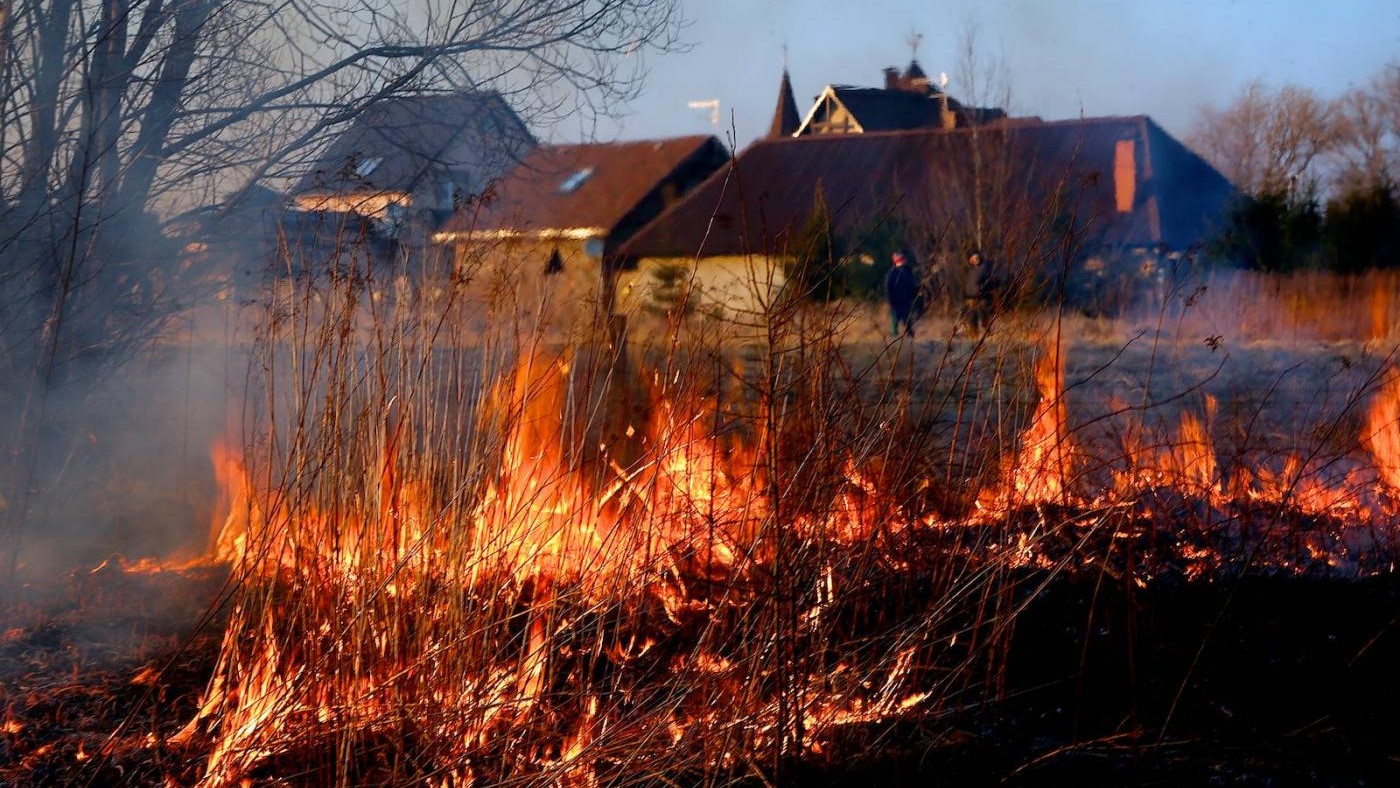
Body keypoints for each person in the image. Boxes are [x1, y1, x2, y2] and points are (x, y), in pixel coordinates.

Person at [884, 251, 918, 338]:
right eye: (899, 260)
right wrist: (890, 300)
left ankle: (910, 336)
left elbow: (912, 286)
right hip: (895, 301)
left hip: (906, 300)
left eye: (902, 260)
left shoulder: (908, 273)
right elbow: (888, 288)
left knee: (907, 320)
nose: (902, 262)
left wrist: (914, 295)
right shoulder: (892, 274)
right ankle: (894, 338)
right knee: (895, 321)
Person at [960, 249, 988, 335]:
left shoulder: (984, 268)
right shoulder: (970, 271)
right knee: (972, 318)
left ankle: (987, 334)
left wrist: (981, 290)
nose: (975, 260)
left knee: (984, 317)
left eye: (977, 258)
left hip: (981, 297)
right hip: (970, 298)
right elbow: (968, 284)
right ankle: (973, 335)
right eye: (973, 259)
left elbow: (988, 281)